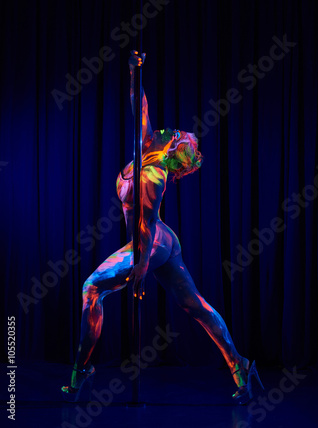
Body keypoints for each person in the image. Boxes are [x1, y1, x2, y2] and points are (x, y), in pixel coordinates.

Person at [61, 51, 263, 404]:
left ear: (172, 149)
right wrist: (134, 71)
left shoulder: (154, 174)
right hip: (162, 240)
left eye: (175, 134)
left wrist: (140, 266)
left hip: (153, 241)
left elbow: (146, 223)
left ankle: (81, 372)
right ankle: (240, 365)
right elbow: (138, 105)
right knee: (194, 303)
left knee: (91, 288)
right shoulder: (145, 148)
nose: (168, 129)